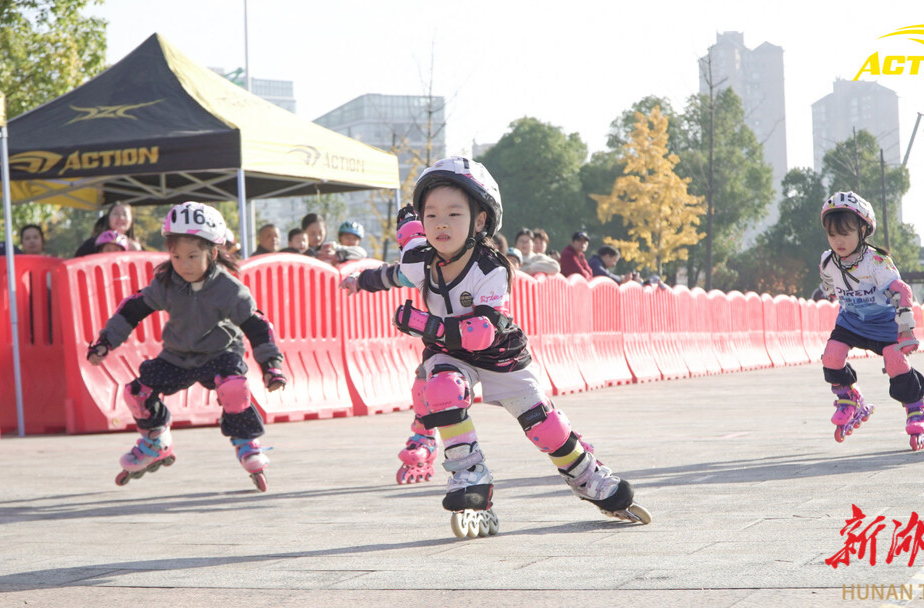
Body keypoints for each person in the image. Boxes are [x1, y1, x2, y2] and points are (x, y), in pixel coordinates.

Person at [388, 156, 649, 537]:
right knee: (442, 386)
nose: (441, 223)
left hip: (500, 355)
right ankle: (469, 475)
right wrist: (359, 281)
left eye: (454, 214)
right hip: (451, 355)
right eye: (432, 215)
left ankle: (587, 476)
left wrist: (424, 323)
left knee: (546, 428)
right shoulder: (419, 257)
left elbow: (480, 333)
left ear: (480, 221)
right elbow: (398, 256)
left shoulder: (492, 267)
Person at [86, 202, 288, 490]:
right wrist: (106, 342)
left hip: (221, 354)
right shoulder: (167, 282)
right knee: (136, 393)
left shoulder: (229, 289)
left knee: (233, 388)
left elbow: (257, 326)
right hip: (178, 356)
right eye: (177, 256)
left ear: (213, 253)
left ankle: (246, 441)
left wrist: (271, 365)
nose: (184, 264)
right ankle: (156, 441)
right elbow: (132, 310)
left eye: (193, 256)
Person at [817, 191, 924, 451]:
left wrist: (907, 329)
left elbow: (900, 292)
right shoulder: (828, 261)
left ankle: (916, 405)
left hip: (883, 323)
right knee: (831, 357)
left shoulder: (876, 262)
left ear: (863, 229)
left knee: (896, 363)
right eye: (832, 235)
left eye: (845, 233)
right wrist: (830, 292)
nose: (838, 241)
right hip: (851, 321)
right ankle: (849, 397)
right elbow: (828, 281)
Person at [74, 202, 142, 257]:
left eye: (125, 214)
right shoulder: (92, 244)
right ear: (108, 218)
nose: (121, 217)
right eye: (116, 214)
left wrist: (138, 253)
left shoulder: (136, 246)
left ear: (131, 220)